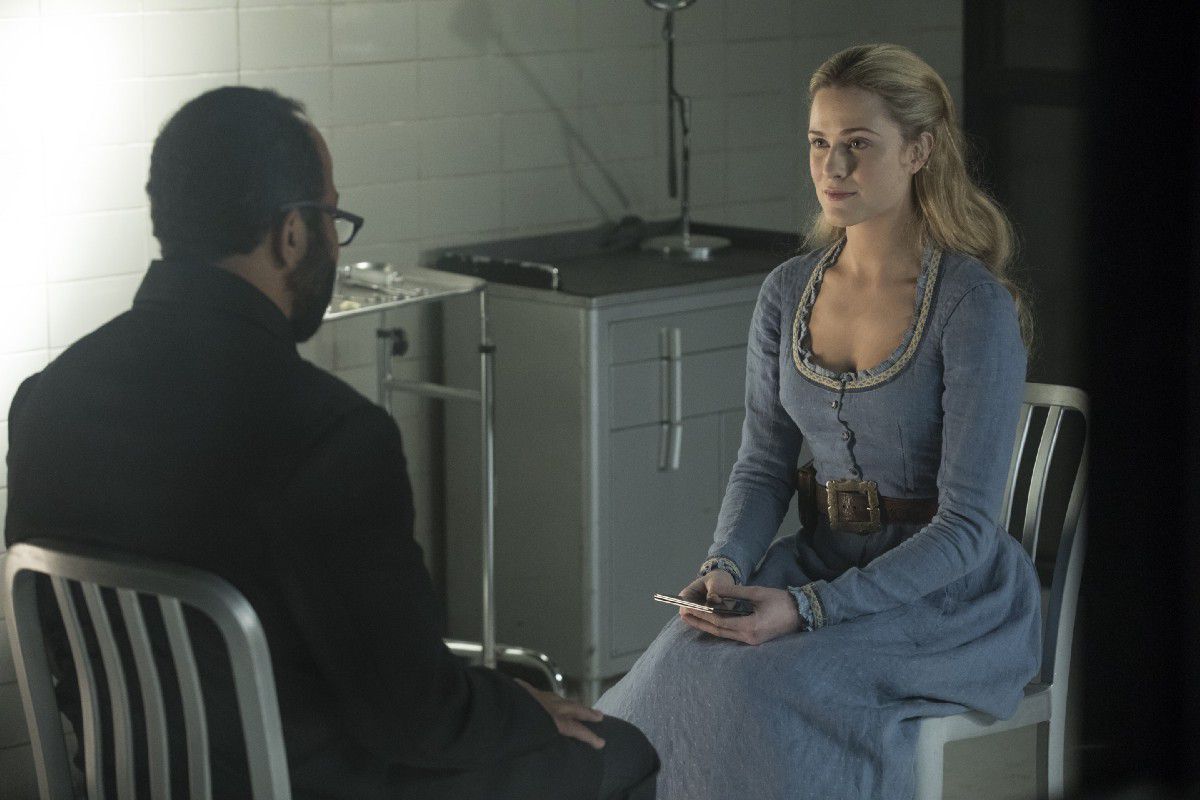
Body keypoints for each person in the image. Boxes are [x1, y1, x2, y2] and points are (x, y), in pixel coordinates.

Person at [4, 86, 658, 800]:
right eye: (332, 219)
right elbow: (420, 721)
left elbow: (61, 652)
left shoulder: (45, 403)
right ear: (291, 233)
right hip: (314, 785)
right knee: (620, 751)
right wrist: (516, 706)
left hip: (120, 783)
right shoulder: (330, 436)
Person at [594, 43, 1042, 799]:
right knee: (671, 669)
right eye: (819, 142)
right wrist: (726, 567)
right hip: (819, 560)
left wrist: (808, 609)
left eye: (858, 145)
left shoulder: (973, 306)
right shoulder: (786, 291)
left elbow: (967, 528)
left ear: (919, 151)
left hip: (945, 598)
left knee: (760, 686)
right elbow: (762, 467)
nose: (832, 167)